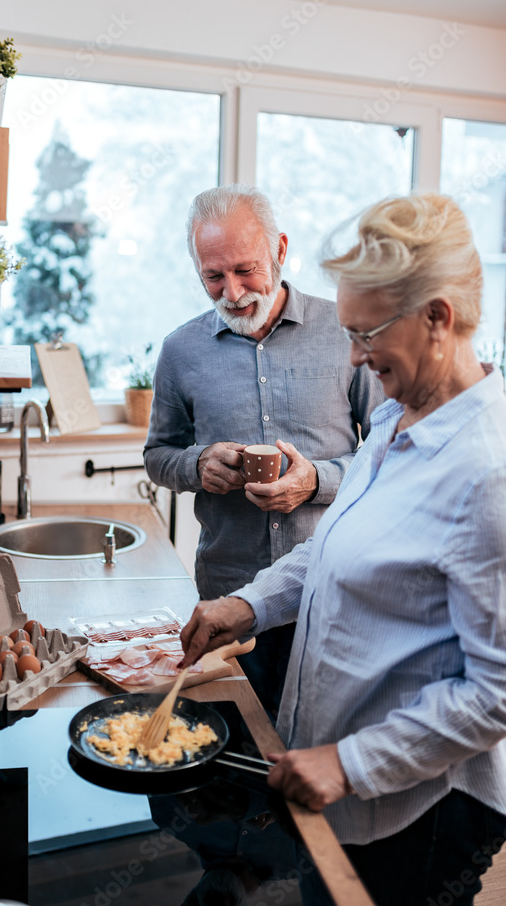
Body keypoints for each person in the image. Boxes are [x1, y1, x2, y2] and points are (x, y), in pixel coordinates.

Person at [179, 193, 506, 906]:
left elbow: (497, 691)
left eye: (367, 334)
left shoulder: (488, 470)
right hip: (351, 794)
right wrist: (247, 604)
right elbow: (333, 549)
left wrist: (349, 763)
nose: (353, 354)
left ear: (439, 319)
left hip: (419, 812)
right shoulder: (397, 416)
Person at [144, 184, 383, 715]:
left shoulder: (348, 332)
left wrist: (315, 480)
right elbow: (159, 455)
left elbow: (388, 455)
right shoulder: (180, 351)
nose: (231, 292)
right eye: (213, 276)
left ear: (280, 249)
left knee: (312, 753)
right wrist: (197, 464)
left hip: (330, 593)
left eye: (245, 269)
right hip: (228, 596)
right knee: (229, 754)